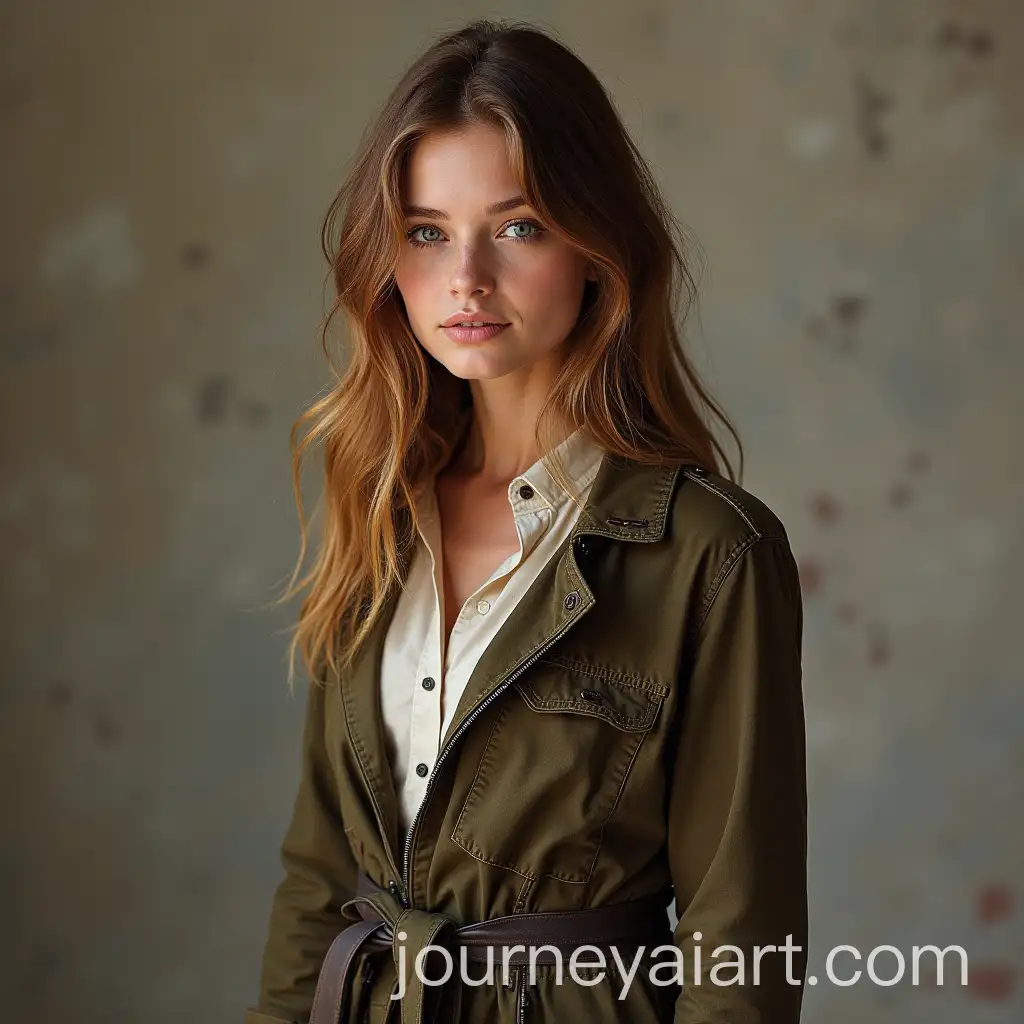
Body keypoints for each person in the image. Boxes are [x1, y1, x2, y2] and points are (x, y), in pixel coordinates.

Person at [246, 18, 807, 1024]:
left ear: (597, 249)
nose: (465, 278)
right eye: (426, 232)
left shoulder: (712, 554)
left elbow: (742, 939)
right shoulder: (378, 508)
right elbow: (318, 884)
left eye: (517, 227)